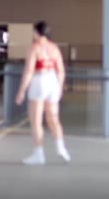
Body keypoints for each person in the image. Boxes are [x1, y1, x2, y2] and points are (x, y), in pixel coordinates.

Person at [15, 21, 71, 165]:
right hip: (52, 82)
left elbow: (28, 71)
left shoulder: (34, 48)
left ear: (36, 33)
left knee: (36, 121)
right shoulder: (54, 48)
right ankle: (61, 148)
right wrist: (59, 88)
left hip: (39, 81)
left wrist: (21, 91)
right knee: (53, 118)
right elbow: (61, 70)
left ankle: (38, 154)